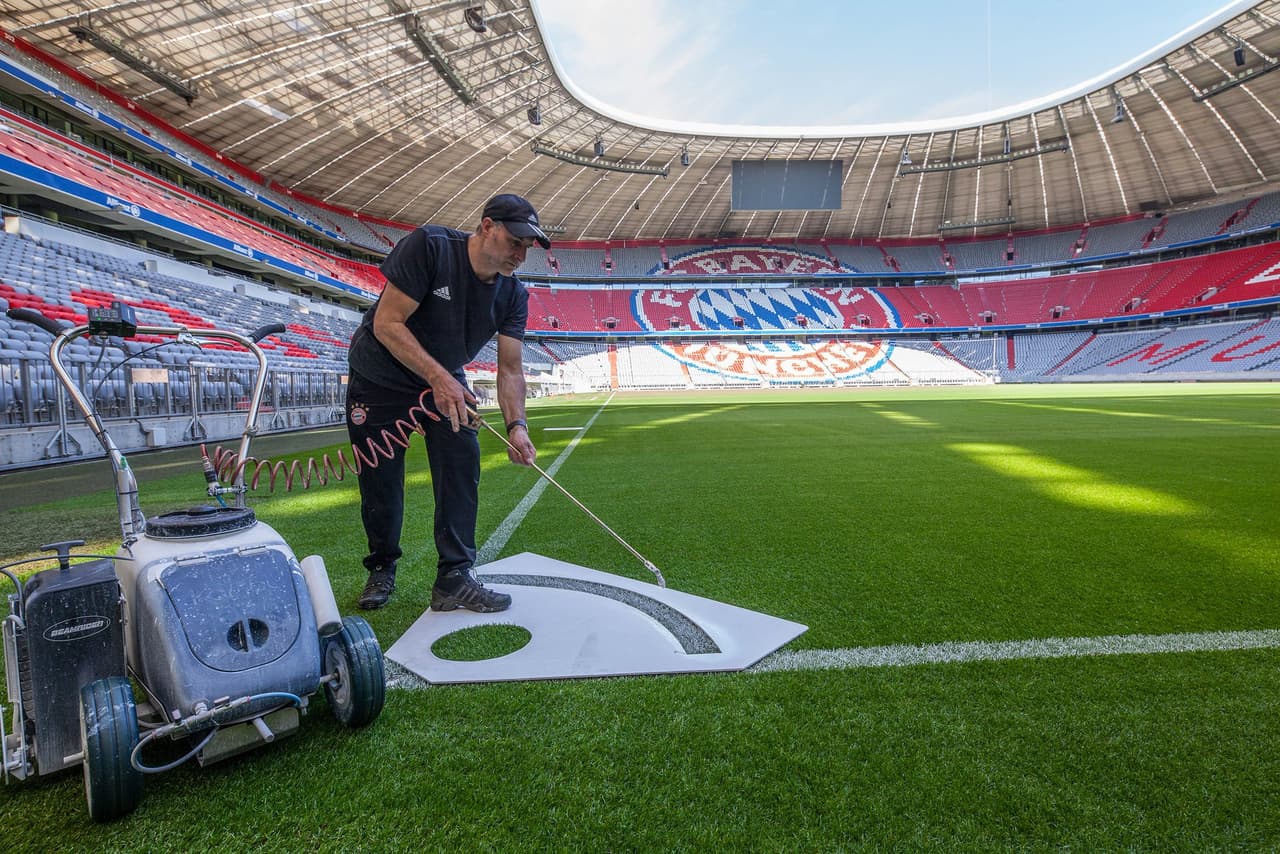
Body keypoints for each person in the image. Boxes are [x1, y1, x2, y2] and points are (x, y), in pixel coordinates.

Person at [345, 193, 548, 612]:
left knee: (461, 458)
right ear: (487, 226)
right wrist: (438, 377)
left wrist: (517, 427)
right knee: (380, 480)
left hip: (444, 374)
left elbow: (510, 369)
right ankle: (382, 567)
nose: (521, 254)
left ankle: (454, 576)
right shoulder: (430, 247)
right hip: (380, 375)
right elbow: (387, 323)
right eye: (515, 241)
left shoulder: (513, 295)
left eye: (528, 246)